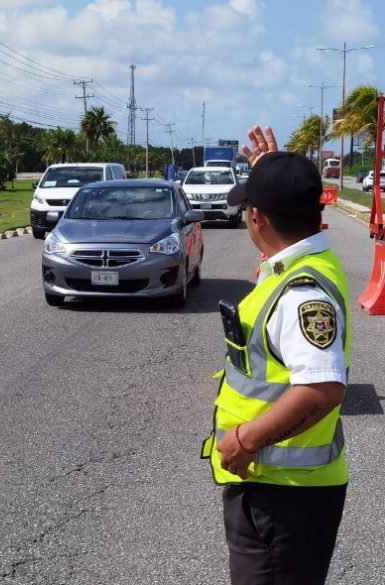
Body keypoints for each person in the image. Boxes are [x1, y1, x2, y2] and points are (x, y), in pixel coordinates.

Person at [201, 125, 350, 585]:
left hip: (282, 498)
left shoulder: (302, 293)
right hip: (278, 490)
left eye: (248, 207)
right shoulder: (297, 263)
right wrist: (275, 171)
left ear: (258, 218)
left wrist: (246, 440)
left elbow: (321, 390)